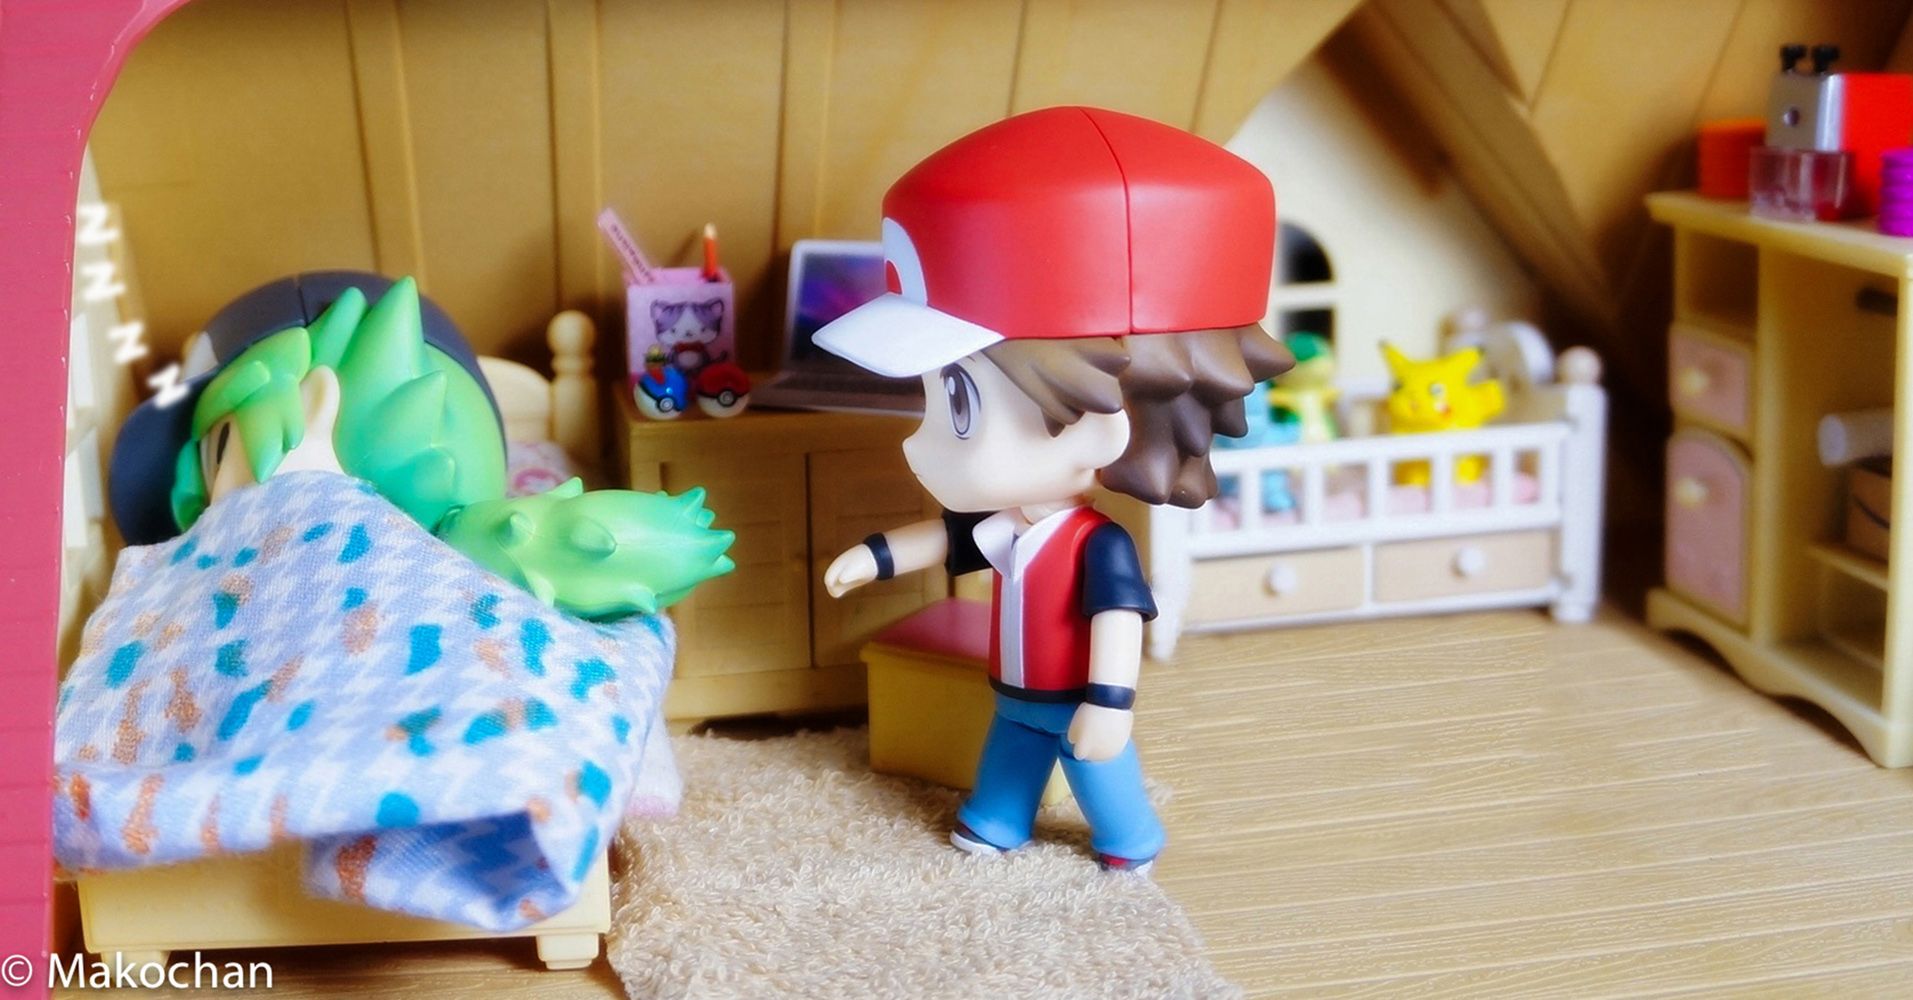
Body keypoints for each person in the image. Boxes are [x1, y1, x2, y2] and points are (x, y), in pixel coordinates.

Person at [817, 106, 1291, 871]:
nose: (920, 442)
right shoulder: (1009, 520)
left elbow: (1117, 621)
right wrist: (871, 557)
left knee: (1098, 771)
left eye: (959, 406)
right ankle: (996, 817)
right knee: (1010, 751)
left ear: (1102, 425)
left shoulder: (1098, 546)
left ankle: (1128, 836)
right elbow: (947, 539)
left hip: (1075, 696)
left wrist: (1108, 702)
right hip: (1013, 692)